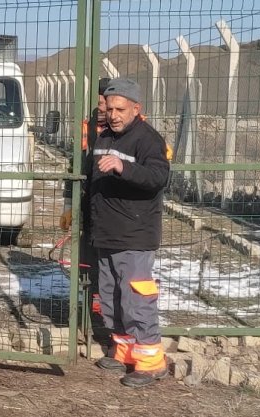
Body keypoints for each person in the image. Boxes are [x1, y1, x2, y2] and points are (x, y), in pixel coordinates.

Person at [89, 78, 171, 388]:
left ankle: (151, 361)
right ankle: (123, 349)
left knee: (137, 299)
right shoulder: (105, 137)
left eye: (120, 109)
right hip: (107, 232)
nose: (113, 115)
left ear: (136, 108)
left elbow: (159, 176)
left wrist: (125, 169)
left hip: (135, 234)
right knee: (110, 296)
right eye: (109, 109)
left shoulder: (147, 139)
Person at [61, 77, 112, 326]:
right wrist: (69, 206)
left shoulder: (133, 128)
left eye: (106, 102)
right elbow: (74, 170)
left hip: (116, 211)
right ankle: (89, 314)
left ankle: (109, 317)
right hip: (88, 207)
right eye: (99, 102)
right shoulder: (85, 128)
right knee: (88, 262)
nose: (101, 107)